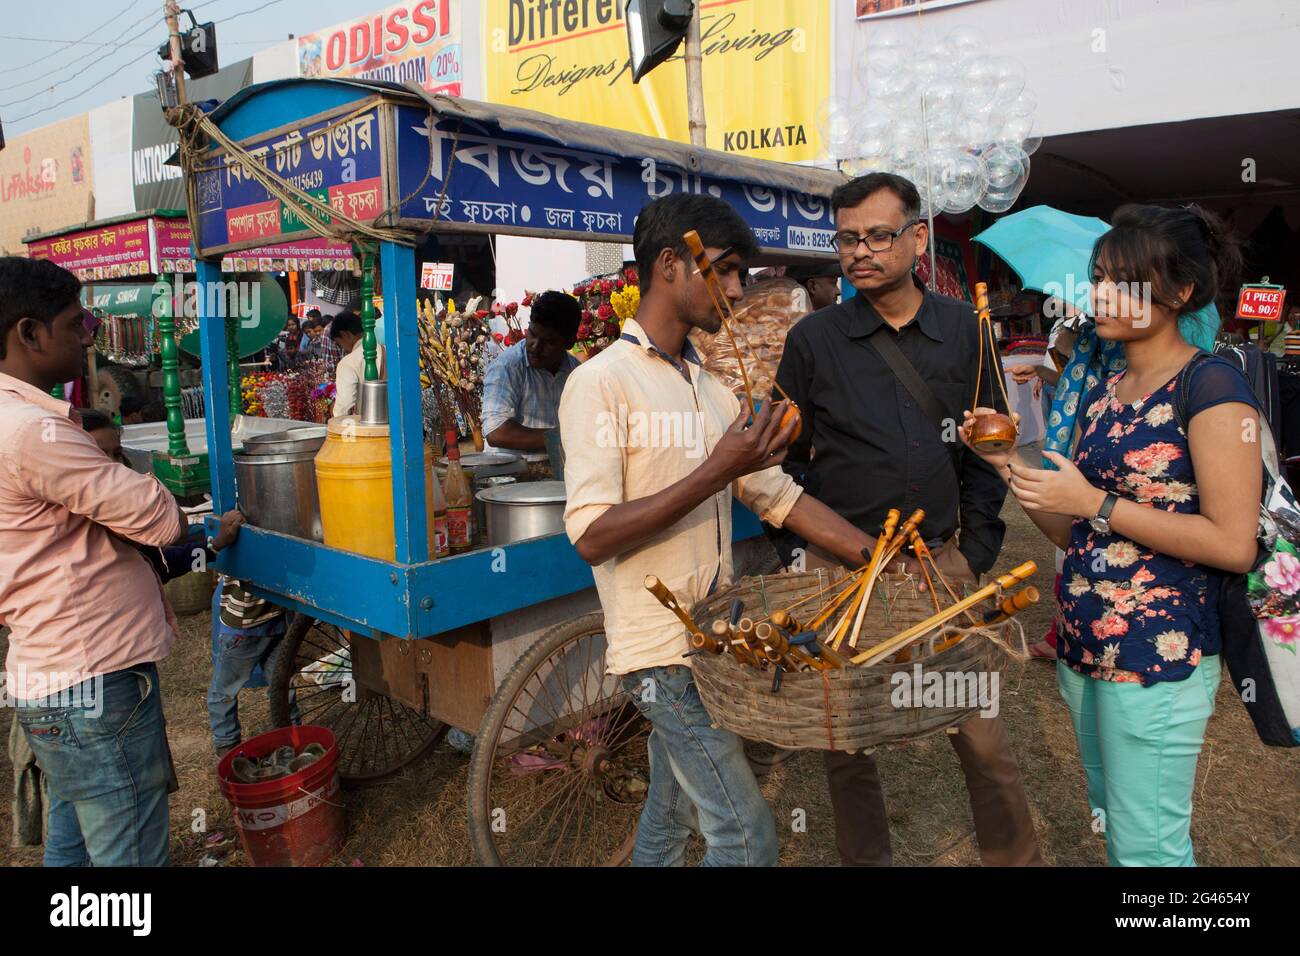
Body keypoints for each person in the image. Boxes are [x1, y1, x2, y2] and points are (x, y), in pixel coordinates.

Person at [559, 194, 877, 866]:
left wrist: (877, 557)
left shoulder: (709, 388)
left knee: (670, 816)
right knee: (745, 834)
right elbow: (590, 535)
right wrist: (716, 470)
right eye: (725, 272)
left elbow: (775, 495)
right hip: (658, 654)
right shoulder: (601, 383)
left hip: (711, 640)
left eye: (741, 275)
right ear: (670, 265)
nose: (736, 291)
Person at [962, 204, 1260, 867]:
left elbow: (1233, 542)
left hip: (1157, 654)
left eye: (1123, 281)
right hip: (1083, 645)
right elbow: (1075, 531)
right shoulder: (1107, 390)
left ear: (1180, 291)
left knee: (1148, 851)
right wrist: (1006, 461)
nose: (1098, 295)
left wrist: (1098, 501)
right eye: (1097, 278)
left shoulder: (1212, 387)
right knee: (1120, 829)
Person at [774, 173, 1042, 867]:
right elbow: (785, 459)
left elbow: (988, 452)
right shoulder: (812, 341)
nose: (860, 252)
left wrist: (975, 551)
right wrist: (808, 551)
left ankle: (1015, 860)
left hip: (942, 568)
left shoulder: (965, 332)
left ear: (918, 238)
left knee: (982, 738)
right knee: (847, 742)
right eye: (846, 239)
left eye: (878, 236)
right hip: (844, 579)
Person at [0, 256, 187, 866]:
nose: (88, 337)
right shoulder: (35, 433)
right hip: (90, 679)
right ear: (29, 334)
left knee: (71, 843)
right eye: (76, 323)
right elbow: (160, 519)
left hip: (47, 673)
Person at [481, 290, 581, 451]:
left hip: (558, 468)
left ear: (569, 342)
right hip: (510, 472)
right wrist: (565, 439)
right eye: (532, 334)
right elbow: (496, 432)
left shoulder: (576, 372)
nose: (535, 346)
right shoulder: (507, 366)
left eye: (548, 341)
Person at [330, 310, 385, 417]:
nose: (342, 348)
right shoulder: (385, 350)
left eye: (339, 343)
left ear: (344, 334)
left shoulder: (347, 363)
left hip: (370, 427)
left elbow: (343, 409)